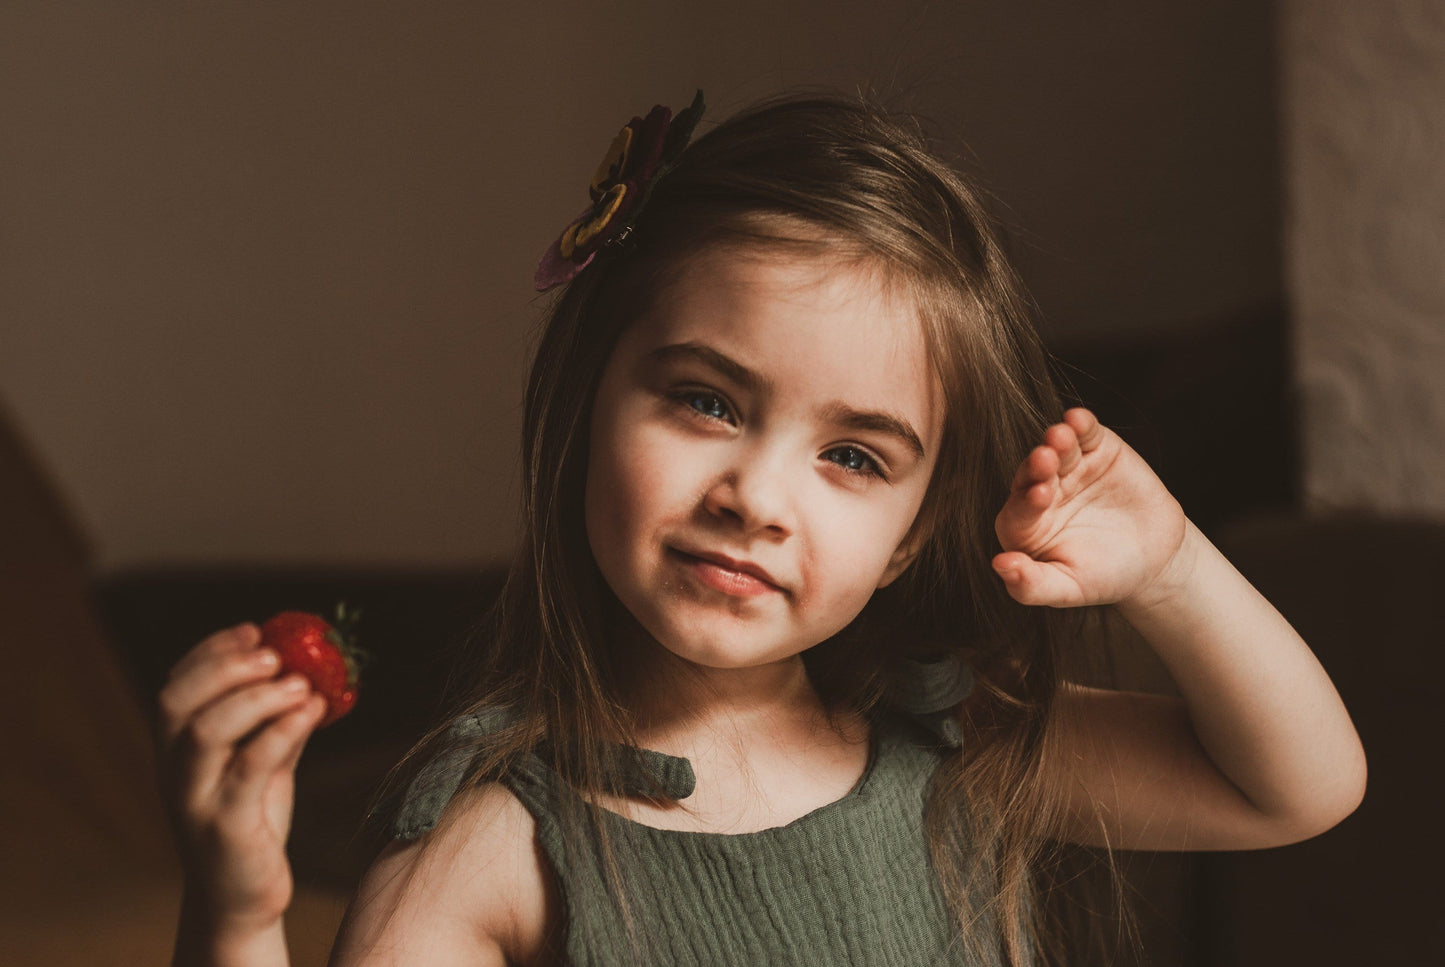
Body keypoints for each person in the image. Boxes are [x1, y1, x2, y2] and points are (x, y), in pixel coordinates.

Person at [157, 91, 1366, 966]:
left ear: (905, 538)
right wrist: (238, 913)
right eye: (705, 401)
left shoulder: (951, 753)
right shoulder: (492, 842)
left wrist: (1170, 569)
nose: (754, 492)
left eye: (851, 456)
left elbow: (1292, 790)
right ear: (584, 408)